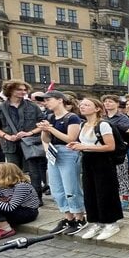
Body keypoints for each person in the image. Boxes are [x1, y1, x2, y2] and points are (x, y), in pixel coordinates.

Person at [67, 98, 124, 241]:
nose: (82, 107)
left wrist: (84, 146)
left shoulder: (103, 125)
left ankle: (110, 223)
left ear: (97, 108)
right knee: (90, 192)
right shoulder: (83, 124)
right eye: (81, 105)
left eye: (87, 105)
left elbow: (110, 146)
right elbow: (85, 142)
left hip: (103, 161)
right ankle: (97, 222)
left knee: (105, 192)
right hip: (88, 160)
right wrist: (78, 144)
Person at [36, 91, 86, 234]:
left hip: (68, 152)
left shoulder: (72, 117)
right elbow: (45, 140)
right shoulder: (49, 116)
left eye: (48, 99)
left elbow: (70, 138)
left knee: (71, 187)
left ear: (60, 100)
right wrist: (45, 131)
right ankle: (68, 217)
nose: (46, 103)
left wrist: (50, 128)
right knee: (57, 188)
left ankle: (79, 217)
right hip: (53, 152)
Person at [0, 80, 45, 205]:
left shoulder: (32, 106)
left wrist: (28, 133)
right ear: (10, 90)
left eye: (25, 90)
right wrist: (6, 136)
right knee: (13, 172)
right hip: (10, 145)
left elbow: (42, 124)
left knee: (33, 172)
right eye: (19, 89)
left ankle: (37, 198)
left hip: (29, 143)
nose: (23, 92)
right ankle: (17, 198)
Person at [0, 162, 41, 242]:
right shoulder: (1, 184)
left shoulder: (22, 186)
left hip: (27, 212)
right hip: (13, 209)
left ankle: (6, 229)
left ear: (5, 173)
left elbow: (10, 207)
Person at [101, 95, 129, 209]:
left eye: (110, 102)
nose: (107, 104)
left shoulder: (122, 117)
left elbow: (124, 129)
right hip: (105, 148)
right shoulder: (102, 117)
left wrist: (106, 125)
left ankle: (125, 198)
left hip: (119, 149)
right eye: (106, 102)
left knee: (122, 175)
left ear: (117, 104)